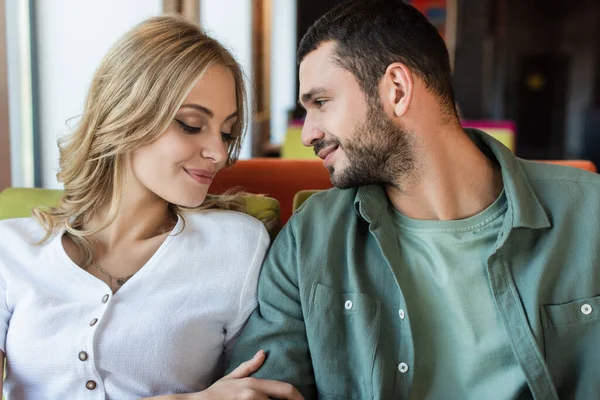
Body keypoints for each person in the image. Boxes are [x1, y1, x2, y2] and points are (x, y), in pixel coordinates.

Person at [227, 1, 600, 399]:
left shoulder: (589, 213)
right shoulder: (310, 240)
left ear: (398, 90)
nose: (308, 134)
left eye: (320, 102)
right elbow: (262, 388)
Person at [0, 15, 301, 400]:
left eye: (227, 132)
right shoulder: (13, 249)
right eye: (192, 125)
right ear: (126, 113)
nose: (219, 153)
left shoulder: (236, 246)